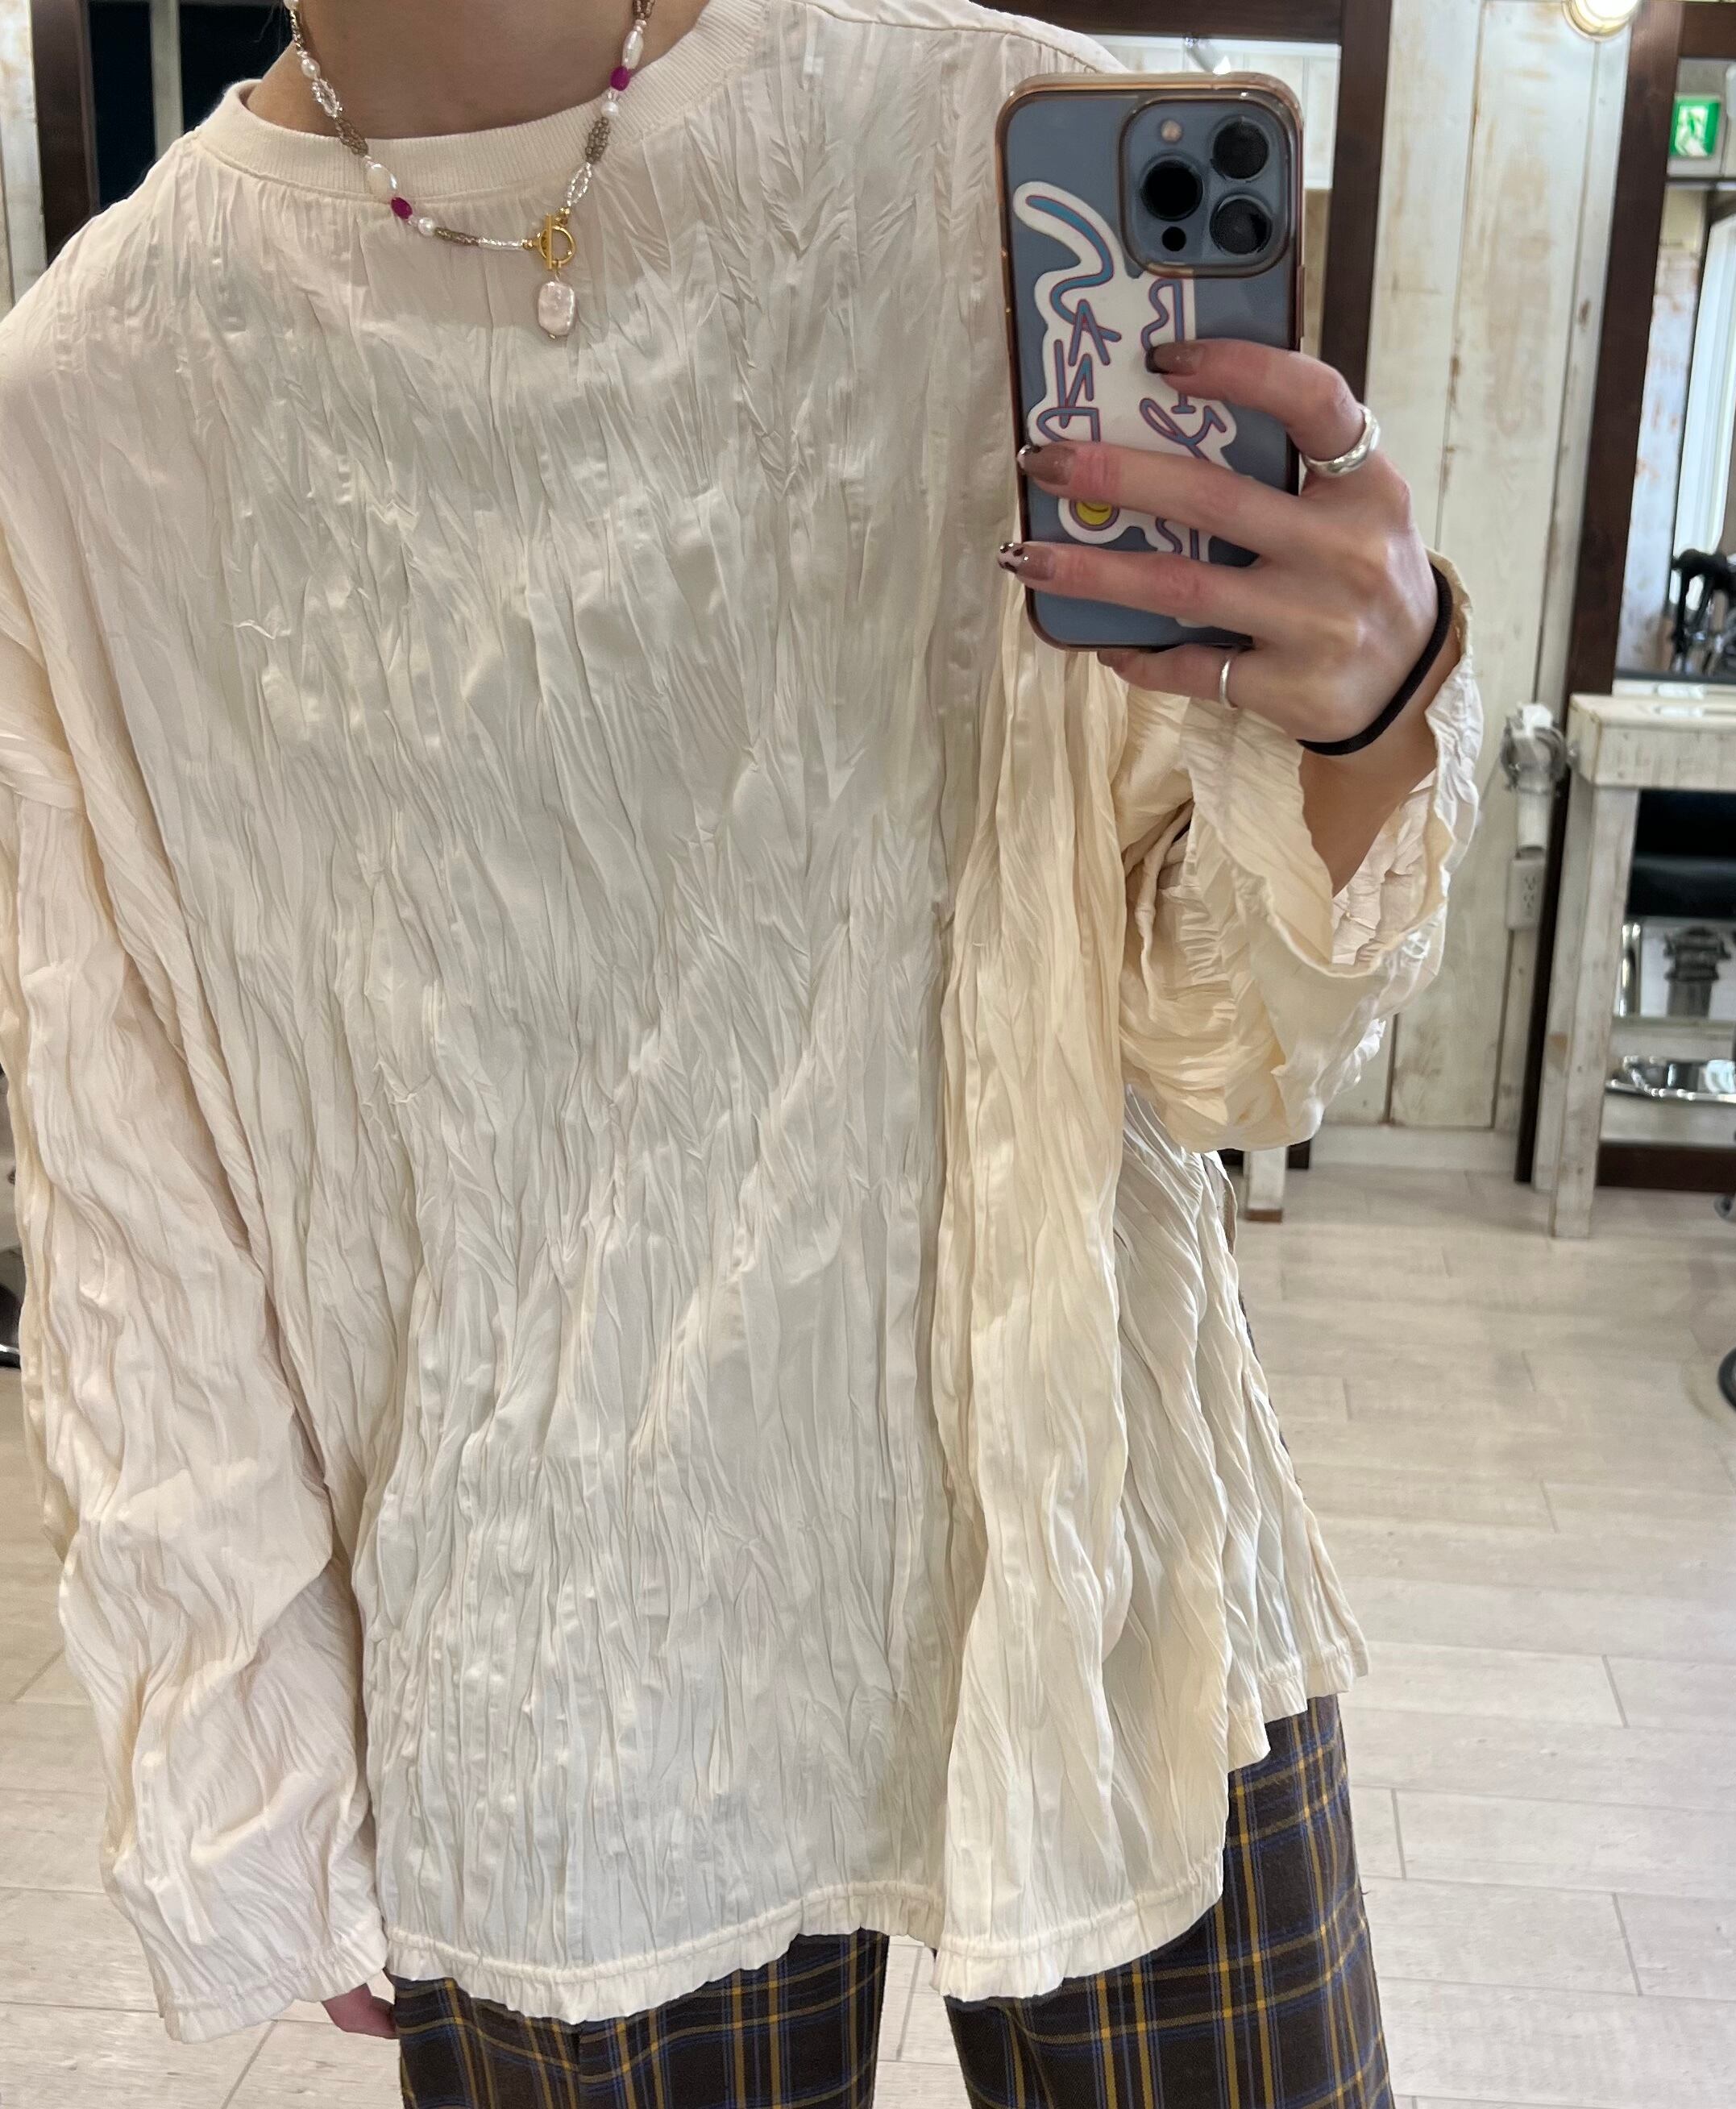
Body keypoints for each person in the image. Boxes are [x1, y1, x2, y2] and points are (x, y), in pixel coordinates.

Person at [0, 0, 1479, 2100]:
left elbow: (1218, 1044)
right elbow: (127, 1175)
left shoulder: (989, 146)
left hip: (1086, 1556)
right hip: (555, 1685)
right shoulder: (92, 405)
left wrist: (1366, 710)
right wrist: (263, 1771)